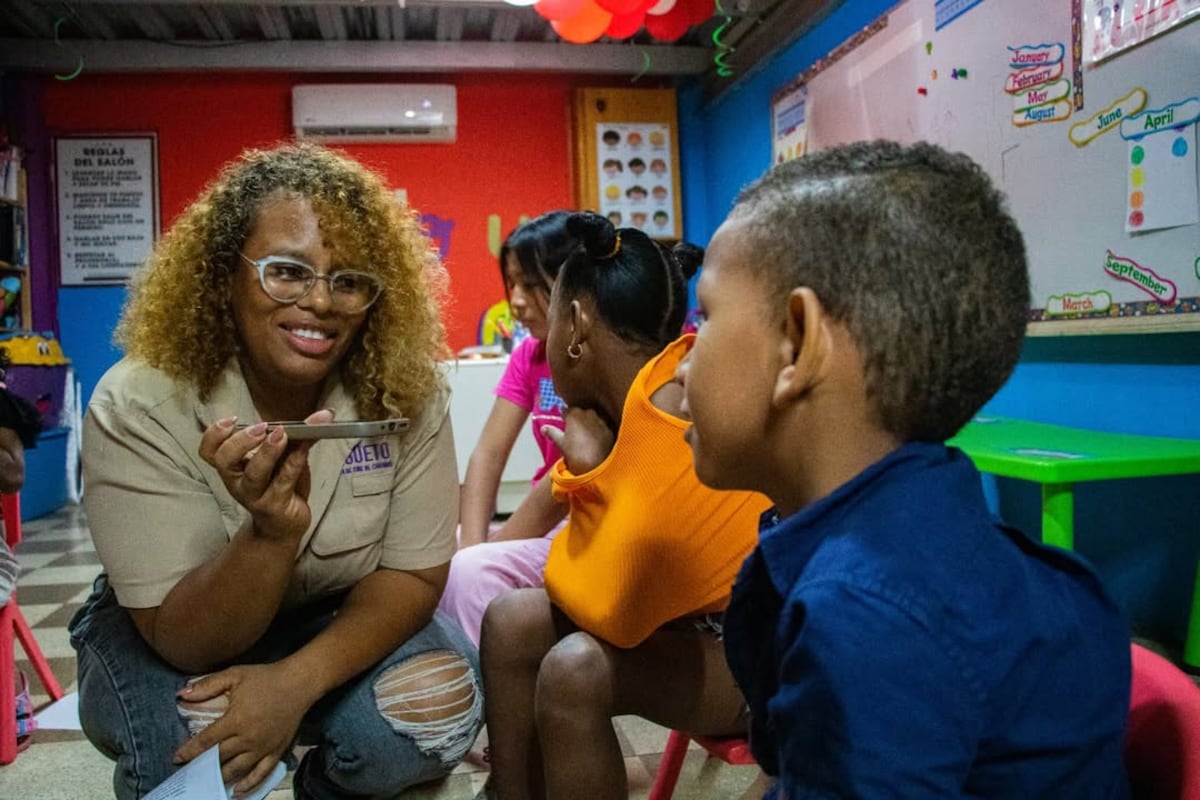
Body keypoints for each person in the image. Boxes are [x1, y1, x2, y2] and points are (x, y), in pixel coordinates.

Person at [675, 140, 1131, 797]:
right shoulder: (908, 545)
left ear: (797, 344)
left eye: (706, 316)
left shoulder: (867, 623)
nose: (682, 364)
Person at [69, 143, 483, 800]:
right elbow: (184, 640)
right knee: (200, 754)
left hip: (334, 616)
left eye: (349, 281)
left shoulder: (405, 392)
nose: (320, 301)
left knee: (436, 707)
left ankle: (325, 784)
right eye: (286, 272)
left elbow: (414, 574)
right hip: (172, 632)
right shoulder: (140, 403)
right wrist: (271, 533)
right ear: (223, 276)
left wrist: (294, 683)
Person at [479, 212, 770, 800]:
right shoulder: (630, 403)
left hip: (757, 655)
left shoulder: (676, 402)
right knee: (509, 621)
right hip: (680, 629)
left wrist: (589, 477)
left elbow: (612, 607)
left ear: (576, 323)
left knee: (575, 670)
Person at [439, 212, 579, 647]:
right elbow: (488, 454)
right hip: (543, 519)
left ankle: (483, 675)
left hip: (583, 523)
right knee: (439, 554)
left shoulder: (593, 356)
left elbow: (565, 482)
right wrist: (471, 544)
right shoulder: (530, 355)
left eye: (529, 284)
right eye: (511, 283)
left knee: (472, 572)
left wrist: (483, 554)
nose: (515, 300)